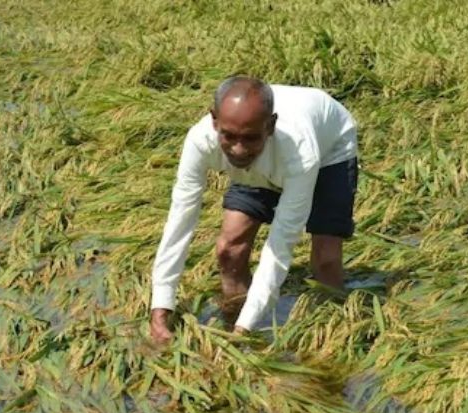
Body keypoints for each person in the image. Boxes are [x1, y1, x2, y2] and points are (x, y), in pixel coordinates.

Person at [148, 76, 359, 344]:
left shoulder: (300, 152)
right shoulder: (201, 141)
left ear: (270, 126)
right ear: (215, 121)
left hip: (330, 151)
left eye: (249, 138)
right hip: (263, 162)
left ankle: (333, 336)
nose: (238, 149)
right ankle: (233, 315)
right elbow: (179, 222)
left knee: (325, 260)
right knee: (229, 250)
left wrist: (243, 333)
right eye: (229, 136)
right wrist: (160, 309)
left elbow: (279, 246)